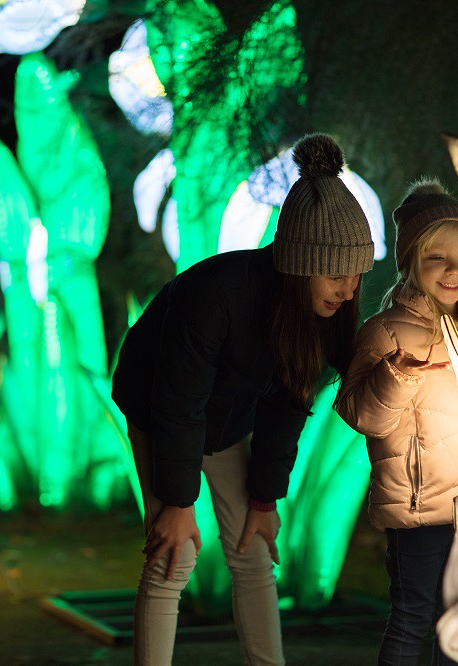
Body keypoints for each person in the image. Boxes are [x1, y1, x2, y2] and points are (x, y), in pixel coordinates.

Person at [111, 133, 375, 666]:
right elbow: (178, 404)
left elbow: (287, 407)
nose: (348, 289)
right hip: (159, 410)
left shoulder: (320, 315)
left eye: (356, 274)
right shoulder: (216, 294)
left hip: (224, 424)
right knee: (174, 554)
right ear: (298, 262)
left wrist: (264, 500)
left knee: (254, 551)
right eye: (335, 273)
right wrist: (179, 503)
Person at [334, 180, 458, 665]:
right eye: (437, 257)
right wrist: (397, 376)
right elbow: (360, 415)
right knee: (413, 617)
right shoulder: (385, 331)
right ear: (409, 260)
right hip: (418, 510)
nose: (454, 270)